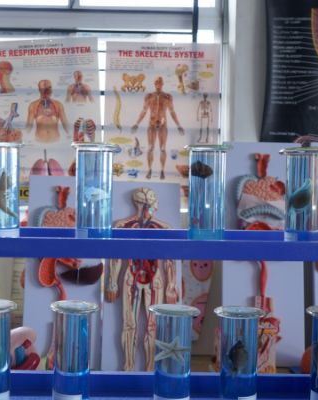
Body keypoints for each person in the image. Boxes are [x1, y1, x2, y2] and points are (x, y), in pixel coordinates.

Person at [106, 188, 177, 371]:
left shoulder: (164, 228)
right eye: (150, 201)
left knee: (152, 325)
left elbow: (170, 259)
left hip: (154, 279)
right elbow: (116, 256)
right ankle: (128, 368)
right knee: (129, 325)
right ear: (142, 203)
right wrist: (112, 282)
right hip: (132, 275)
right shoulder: (122, 226)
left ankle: (150, 369)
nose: (152, 205)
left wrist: (171, 285)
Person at [131, 76, 184, 180]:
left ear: (162, 84)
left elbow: (172, 112)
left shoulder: (168, 97)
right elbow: (144, 111)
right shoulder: (149, 96)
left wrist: (178, 125)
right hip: (152, 124)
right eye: (156, 82)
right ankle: (149, 170)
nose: (158, 84)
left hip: (163, 124)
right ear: (154, 84)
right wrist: (137, 124)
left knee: (163, 148)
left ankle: (162, 171)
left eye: (160, 82)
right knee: (150, 147)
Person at [25, 79, 69, 143]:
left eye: (49, 88)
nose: (47, 91)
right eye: (44, 89)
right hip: (39, 142)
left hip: (56, 141)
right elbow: (28, 128)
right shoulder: (33, 105)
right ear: (39, 90)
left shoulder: (58, 105)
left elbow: (66, 126)